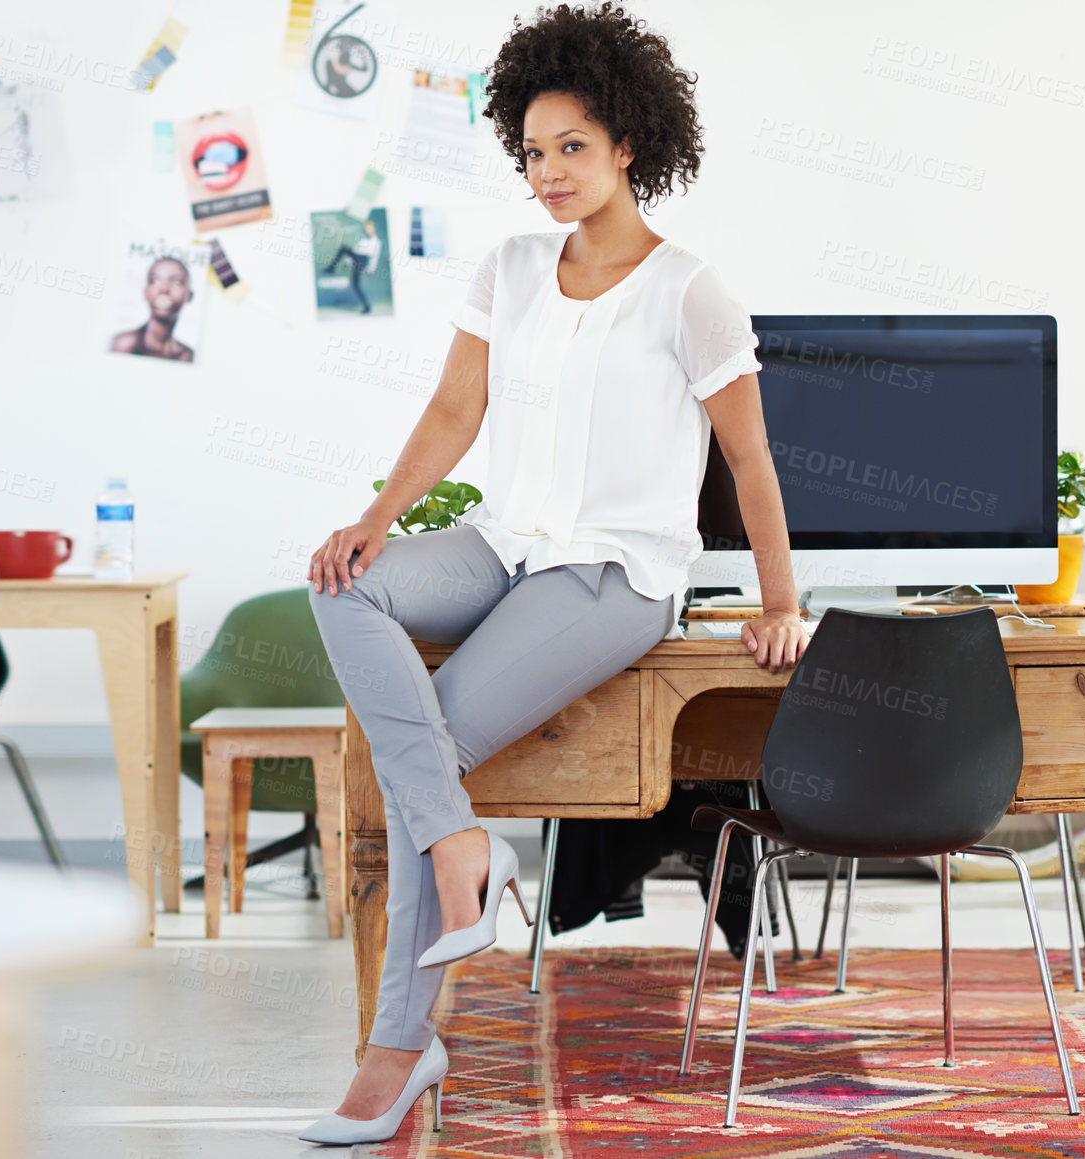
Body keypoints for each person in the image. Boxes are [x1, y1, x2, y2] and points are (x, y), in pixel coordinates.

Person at [299, 2, 808, 1145]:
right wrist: (376, 518)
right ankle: (463, 844)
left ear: (629, 142)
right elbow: (453, 410)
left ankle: (395, 1051)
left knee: (431, 744)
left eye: (572, 146)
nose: (550, 174)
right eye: (533, 153)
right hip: (502, 539)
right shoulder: (514, 266)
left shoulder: (689, 291)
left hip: (616, 573)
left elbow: (750, 456)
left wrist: (782, 604)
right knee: (346, 587)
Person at [110, 256, 195, 360]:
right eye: (154, 280)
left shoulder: (186, 355)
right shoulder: (123, 344)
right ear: (145, 292)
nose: (164, 289)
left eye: (176, 282)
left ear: (189, 295)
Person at [323, 218, 381, 313]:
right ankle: (367, 307)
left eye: (370, 228)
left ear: (373, 229)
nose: (368, 230)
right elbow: (356, 252)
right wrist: (349, 261)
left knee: (344, 249)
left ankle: (331, 268)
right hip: (357, 259)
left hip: (363, 260)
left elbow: (375, 257)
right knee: (355, 284)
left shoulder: (376, 242)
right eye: (366, 229)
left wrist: (371, 269)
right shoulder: (363, 241)